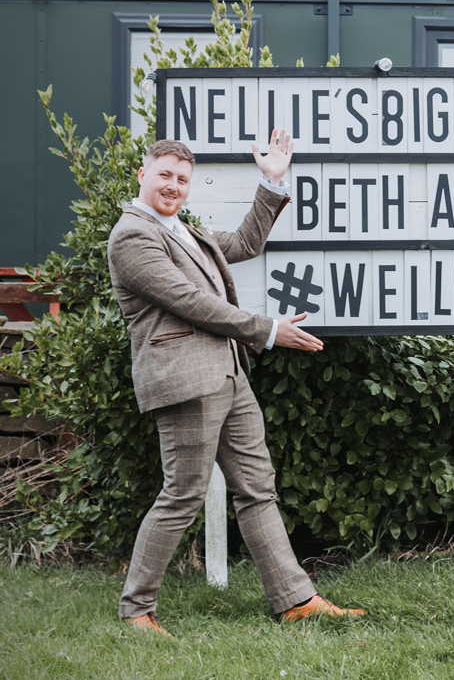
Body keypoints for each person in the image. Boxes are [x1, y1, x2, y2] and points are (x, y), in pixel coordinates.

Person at [108, 134, 364, 637]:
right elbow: (191, 302)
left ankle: (295, 599)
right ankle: (136, 610)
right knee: (182, 494)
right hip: (185, 382)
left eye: (182, 179)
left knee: (256, 489)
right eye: (164, 175)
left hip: (227, 375)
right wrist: (268, 330)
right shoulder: (133, 236)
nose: (173, 186)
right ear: (143, 175)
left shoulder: (183, 231)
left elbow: (246, 244)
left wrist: (272, 181)